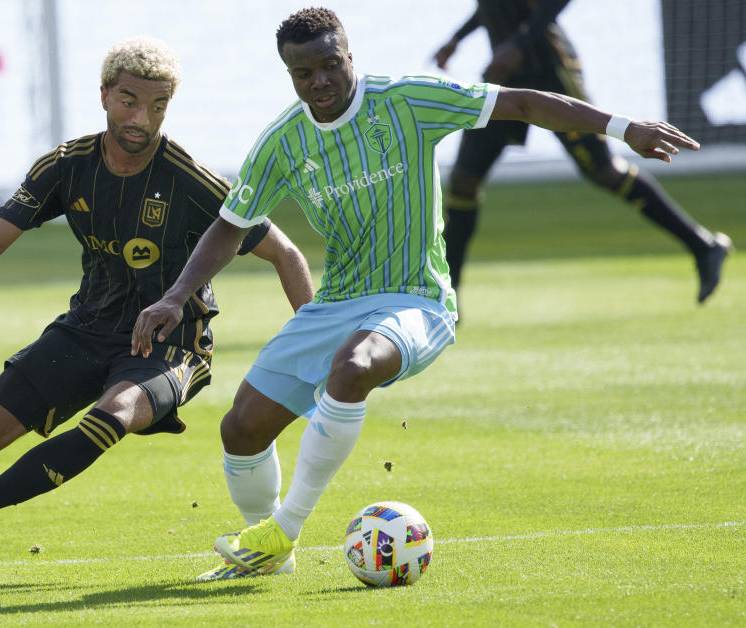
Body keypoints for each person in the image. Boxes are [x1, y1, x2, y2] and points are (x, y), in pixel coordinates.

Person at [130, 7, 702, 581]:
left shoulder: (406, 101)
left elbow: (520, 102)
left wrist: (624, 127)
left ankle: (286, 527)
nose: (320, 81)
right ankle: (267, 557)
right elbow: (232, 223)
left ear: (350, 57)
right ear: (290, 75)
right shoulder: (284, 141)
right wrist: (177, 295)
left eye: (330, 65)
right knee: (241, 428)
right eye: (304, 73)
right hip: (338, 302)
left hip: (416, 299)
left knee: (352, 368)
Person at [0, 36, 314, 585]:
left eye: (158, 105)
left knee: (113, 413)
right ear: (104, 95)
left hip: (172, 345)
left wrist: (311, 346)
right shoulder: (66, 167)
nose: (142, 118)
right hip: (87, 327)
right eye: (129, 101)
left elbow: (286, 252)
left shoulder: (191, 180)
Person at [432, 0, 731, 310]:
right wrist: (458, 38)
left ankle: (703, 246)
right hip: (505, 75)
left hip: (548, 69)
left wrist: (519, 41)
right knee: (464, 182)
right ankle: (446, 302)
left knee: (604, 172)